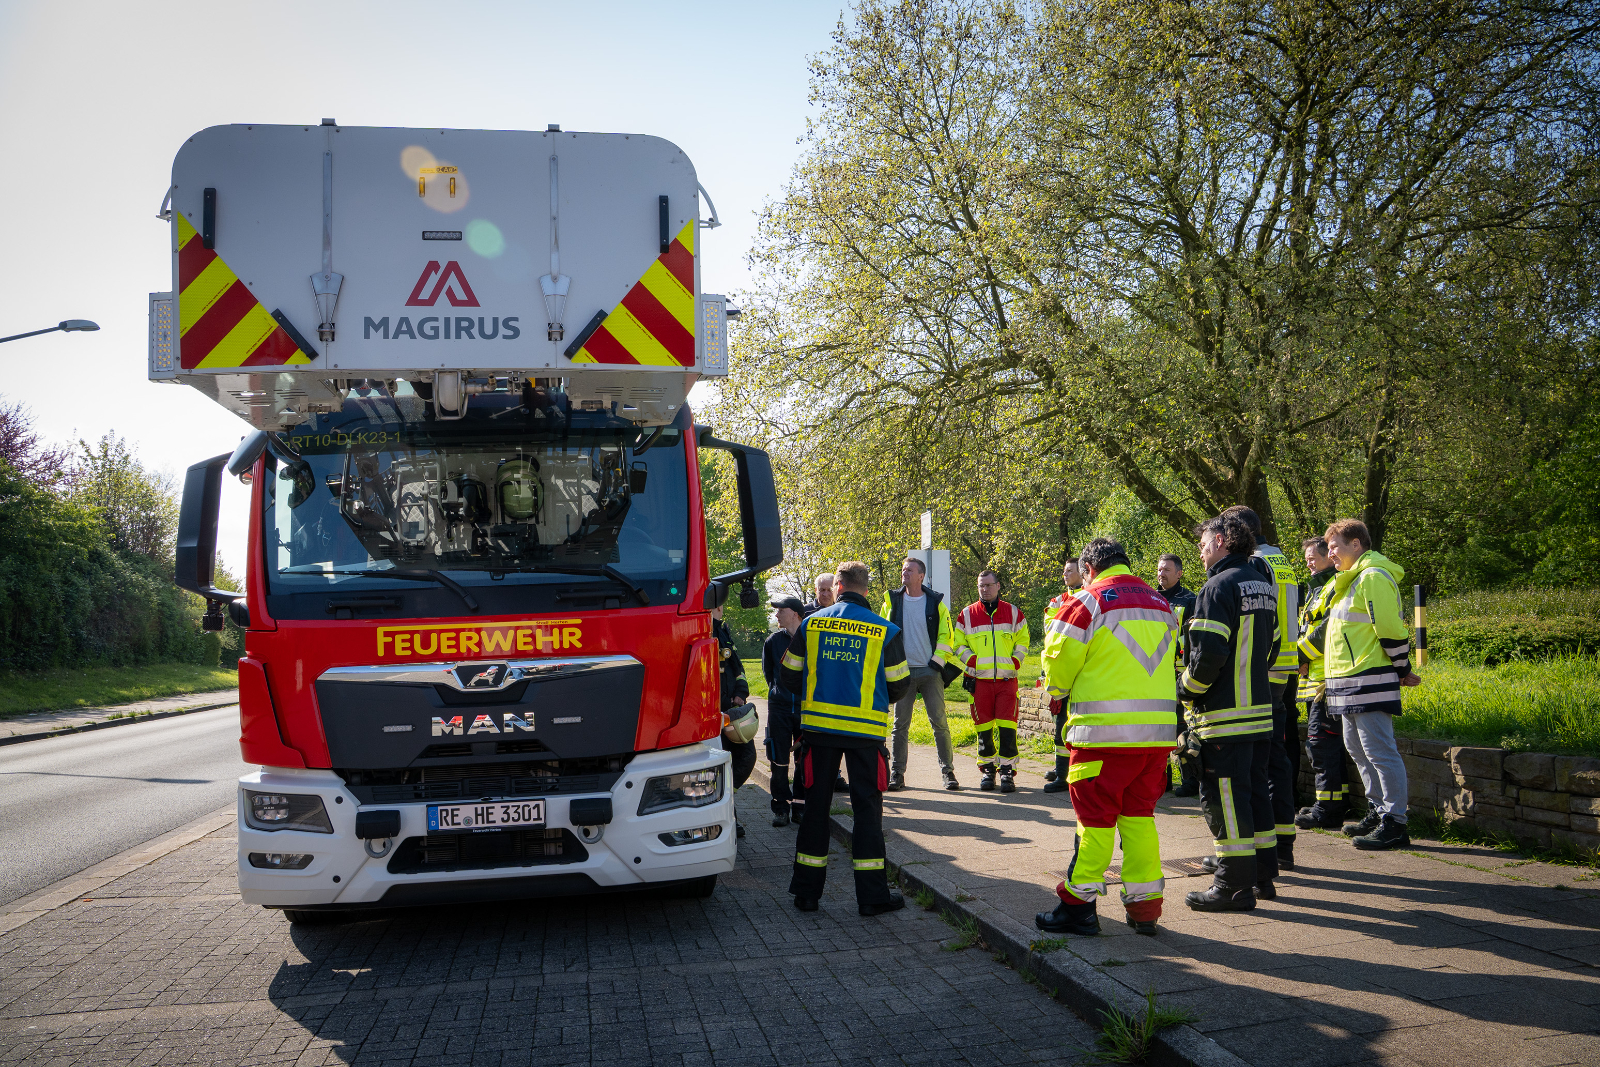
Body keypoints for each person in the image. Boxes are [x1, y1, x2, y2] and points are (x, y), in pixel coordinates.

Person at [1034, 538, 1178, 937]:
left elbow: (1058, 665)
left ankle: (1077, 907)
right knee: (1139, 819)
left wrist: (1056, 692)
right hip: (1156, 738)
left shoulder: (1087, 600)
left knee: (1095, 822)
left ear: (1089, 569)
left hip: (1103, 736)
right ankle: (1146, 909)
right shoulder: (1161, 602)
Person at [779, 561, 912, 915]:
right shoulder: (886, 630)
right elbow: (899, 684)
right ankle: (872, 898)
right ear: (866, 589)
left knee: (815, 810)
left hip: (819, 731)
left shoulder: (812, 624)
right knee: (867, 812)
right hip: (866, 734)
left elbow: (789, 675)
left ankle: (806, 894)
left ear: (838, 585)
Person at [1181, 513, 1281, 911]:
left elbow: (1208, 655)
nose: (1201, 551)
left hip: (1224, 716)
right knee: (1256, 795)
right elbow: (1273, 644)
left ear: (1221, 540)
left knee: (1226, 801)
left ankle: (1233, 887)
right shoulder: (1262, 583)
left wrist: (1185, 691)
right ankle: (1261, 877)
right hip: (1259, 711)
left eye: (1204, 542)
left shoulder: (1217, 586)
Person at [1322, 519, 1420, 850]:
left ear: (1357, 544)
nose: (1330, 552)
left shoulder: (1373, 576)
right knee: (1358, 750)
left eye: (1335, 545)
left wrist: (1403, 667)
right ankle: (1379, 811)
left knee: (1379, 751)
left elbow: (1391, 629)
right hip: (1349, 681)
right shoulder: (1347, 582)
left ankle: (1395, 821)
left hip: (1369, 680)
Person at [1221, 505, 1300, 870]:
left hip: (1260, 667)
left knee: (1257, 764)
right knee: (1276, 759)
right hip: (1284, 664)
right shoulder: (1282, 560)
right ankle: (1282, 843)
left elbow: (1258, 614)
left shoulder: (1255, 565)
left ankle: (1264, 849)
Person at [881, 556, 962, 791]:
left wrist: (936, 664)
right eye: (903, 570)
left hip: (930, 672)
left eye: (910, 570)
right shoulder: (892, 600)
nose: (904, 573)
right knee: (899, 725)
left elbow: (947, 637)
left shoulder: (935, 602)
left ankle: (948, 772)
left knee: (939, 722)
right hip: (901, 673)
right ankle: (897, 774)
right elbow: (883, 632)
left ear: (921, 576)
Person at [952, 570, 1031, 793]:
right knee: (983, 728)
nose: (984, 589)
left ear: (998, 586)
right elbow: (958, 644)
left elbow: (1023, 641)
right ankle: (987, 769)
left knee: (1008, 727)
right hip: (979, 681)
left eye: (988, 585)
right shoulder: (966, 614)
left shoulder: (1014, 613)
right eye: (980, 586)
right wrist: (973, 661)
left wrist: (1015, 662)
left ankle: (1007, 770)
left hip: (1006, 681)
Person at [1294, 537, 1351, 829]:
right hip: (1314, 679)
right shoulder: (1315, 590)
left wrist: (1300, 653)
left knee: (1320, 744)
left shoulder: (1337, 585)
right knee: (1325, 744)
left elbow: (1328, 627)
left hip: (1326, 680)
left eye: (1313, 557)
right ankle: (1334, 802)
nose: (1309, 562)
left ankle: (1328, 809)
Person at [1155, 553, 1199, 797]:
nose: (1161, 574)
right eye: (1160, 570)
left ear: (1180, 573)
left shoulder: (1191, 599)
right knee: (1160, 727)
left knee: (1184, 726)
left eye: (1167, 570)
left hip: (1182, 672)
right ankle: (1162, 780)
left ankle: (1190, 780)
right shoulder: (1151, 598)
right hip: (1157, 671)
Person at [762, 596, 807, 827]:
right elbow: (769, 675)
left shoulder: (811, 638)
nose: (777, 614)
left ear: (796, 614)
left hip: (804, 710)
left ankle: (799, 807)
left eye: (781, 610)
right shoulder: (772, 642)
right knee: (778, 761)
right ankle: (781, 809)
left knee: (802, 761)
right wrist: (779, 693)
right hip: (778, 709)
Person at [712, 605, 756, 839]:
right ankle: (729, 813)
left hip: (730, 710)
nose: (720, 606)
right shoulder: (700, 629)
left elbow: (737, 667)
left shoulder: (723, 630)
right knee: (719, 766)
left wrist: (741, 691)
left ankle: (727, 797)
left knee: (748, 756)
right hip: (709, 713)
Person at [1042, 557, 1084, 794]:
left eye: (1070, 571)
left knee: (1077, 724)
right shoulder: (1057, 600)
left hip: (1082, 671)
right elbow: (1052, 628)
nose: (1065, 574)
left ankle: (1070, 772)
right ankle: (1062, 772)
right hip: (1061, 667)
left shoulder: (1089, 597)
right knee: (1060, 724)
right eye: (1064, 571)